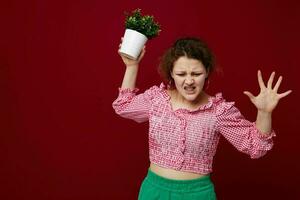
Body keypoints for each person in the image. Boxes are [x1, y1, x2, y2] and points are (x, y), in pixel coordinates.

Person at [112, 37, 291, 200]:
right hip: (154, 191)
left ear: (206, 72)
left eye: (196, 74)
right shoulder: (157, 100)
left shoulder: (218, 111)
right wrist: (132, 67)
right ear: (171, 74)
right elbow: (124, 106)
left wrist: (265, 113)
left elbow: (256, 147)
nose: (189, 81)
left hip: (197, 194)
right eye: (181, 74)